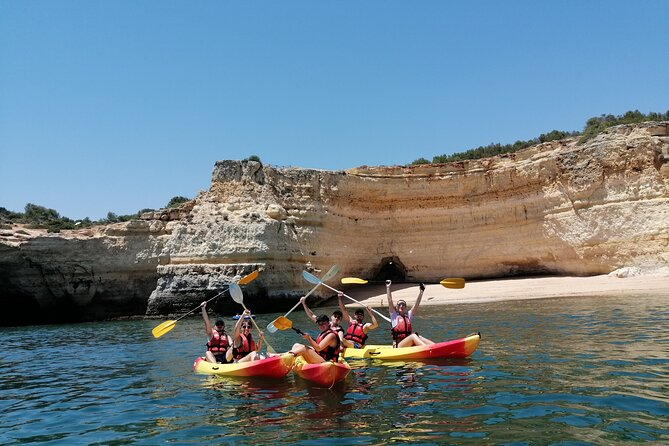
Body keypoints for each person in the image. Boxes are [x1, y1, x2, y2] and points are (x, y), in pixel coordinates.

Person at [386, 280, 434, 348]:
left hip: (407, 345)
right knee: (413, 336)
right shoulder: (394, 317)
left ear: (405, 308)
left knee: (419, 337)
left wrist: (421, 292)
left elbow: (416, 305)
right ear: (396, 308)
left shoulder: (408, 316)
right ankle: (428, 349)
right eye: (399, 304)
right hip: (398, 346)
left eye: (403, 304)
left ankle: (437, 347)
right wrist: (388, 287)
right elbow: (390, 301)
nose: (401, 306)